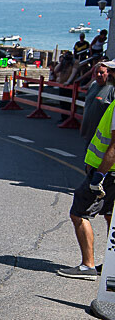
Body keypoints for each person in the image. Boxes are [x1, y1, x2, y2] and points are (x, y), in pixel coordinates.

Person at [58, 97, 115, 279]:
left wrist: (99, 174)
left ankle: (87, 266)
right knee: (110, 217)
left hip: (107, 172)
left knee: (79, 213)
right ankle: (111, 266)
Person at [80, 61, 115, 144]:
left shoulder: (112, 89)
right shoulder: (93, 85)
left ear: (108, 73)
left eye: (102, 72)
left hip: (102, 137)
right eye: (97, 72)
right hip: (89, 133)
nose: (99, 75)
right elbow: (87, 106)